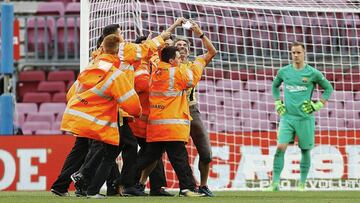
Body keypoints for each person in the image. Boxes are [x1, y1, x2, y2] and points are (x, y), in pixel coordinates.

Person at [61, 34, 142, 199]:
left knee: (102, 152)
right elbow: (130, 102)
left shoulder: (90, 67)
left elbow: (72, 93)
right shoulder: (115, 74)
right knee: (110, 153)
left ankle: (85, 179)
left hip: (81, 118)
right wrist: (137, 113)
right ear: (118, 50)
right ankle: (91, 187)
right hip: (102, 121)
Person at [268, 41, 333, 191]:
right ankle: (275, 184)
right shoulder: (284, 72)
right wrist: (278, 102)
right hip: (288, 117)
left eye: (298, 52)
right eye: (293, 53)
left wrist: (318, 104)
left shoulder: (313, 73)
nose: (296, 55)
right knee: (280, 147)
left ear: (304, 54)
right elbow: (275, 85)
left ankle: (302, 184)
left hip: (305, 118)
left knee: (304, 150)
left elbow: (328, 88)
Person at [173, 20, 217, 197]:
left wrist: (200, 33)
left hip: (191, 110)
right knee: (156, 152)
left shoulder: (195, 64)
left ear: (189, 50)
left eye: (184, 45)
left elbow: (212, 52)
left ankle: (204, 185)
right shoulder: (167, 65)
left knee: (206, 153)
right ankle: (142, 183)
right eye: (178, 45)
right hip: (173, 113)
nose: (182, 47)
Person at [127, 35, 173, 196]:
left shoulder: (156, 64)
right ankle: (128, 184)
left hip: (150, 117)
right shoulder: (138, 66)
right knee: (149, 152)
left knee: (153, 152)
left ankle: (151, 186)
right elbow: (142, 85)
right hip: (138, 118)